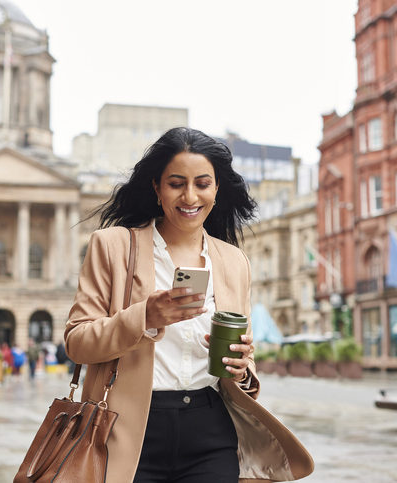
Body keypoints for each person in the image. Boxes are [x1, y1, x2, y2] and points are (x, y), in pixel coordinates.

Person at [65, 127, 313, 483]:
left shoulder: (233, 261)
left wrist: (241, 367)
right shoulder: (112, 246)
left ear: (216, 189)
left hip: (210, 431)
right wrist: (145, 317)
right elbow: (77, 342)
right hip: (125, 429)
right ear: (157, 187)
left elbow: (245, 362)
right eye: (177, 183)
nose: (190, 195)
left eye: (202, 183)